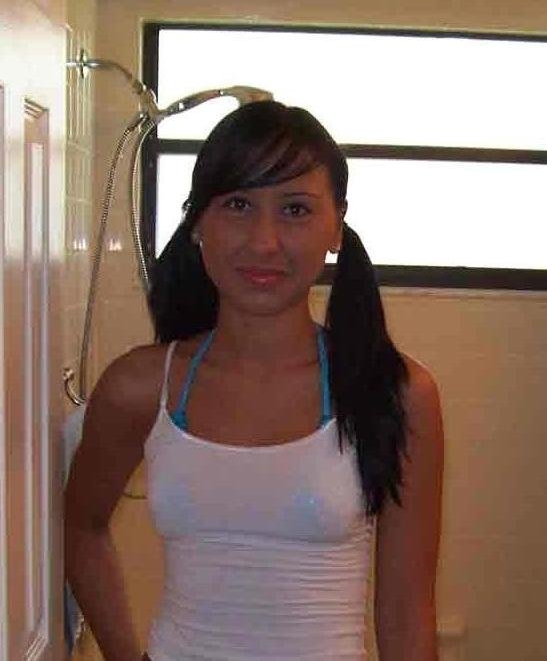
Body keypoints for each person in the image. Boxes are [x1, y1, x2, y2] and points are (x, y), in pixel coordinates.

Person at [64, 100, 444, 661]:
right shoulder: (141, 386)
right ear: (198, 221)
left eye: (295, 210)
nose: (264, 241)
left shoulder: (396, 391)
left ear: (336, 226)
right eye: (238, 205)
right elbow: (80, 526)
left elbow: (407, 617)